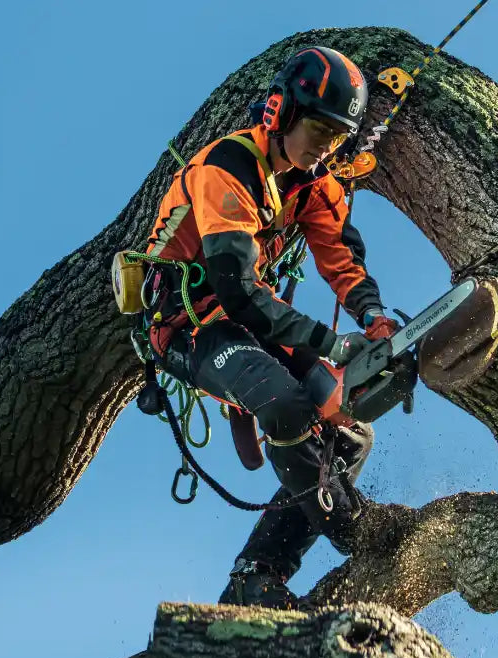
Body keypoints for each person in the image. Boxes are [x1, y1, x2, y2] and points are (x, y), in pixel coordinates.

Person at [139, 46, 398, 610]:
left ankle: (257, 573)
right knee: (286, 408)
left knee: (351, 430)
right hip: (193, 324)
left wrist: (373, 319)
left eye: (336, 136)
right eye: (317, 128)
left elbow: (341, 260)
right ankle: (358, 532)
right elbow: (237, 289)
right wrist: (332, 343)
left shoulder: (314, 181)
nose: (324, 145)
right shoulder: (227, 169)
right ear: (282, 112)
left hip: (254, 321)